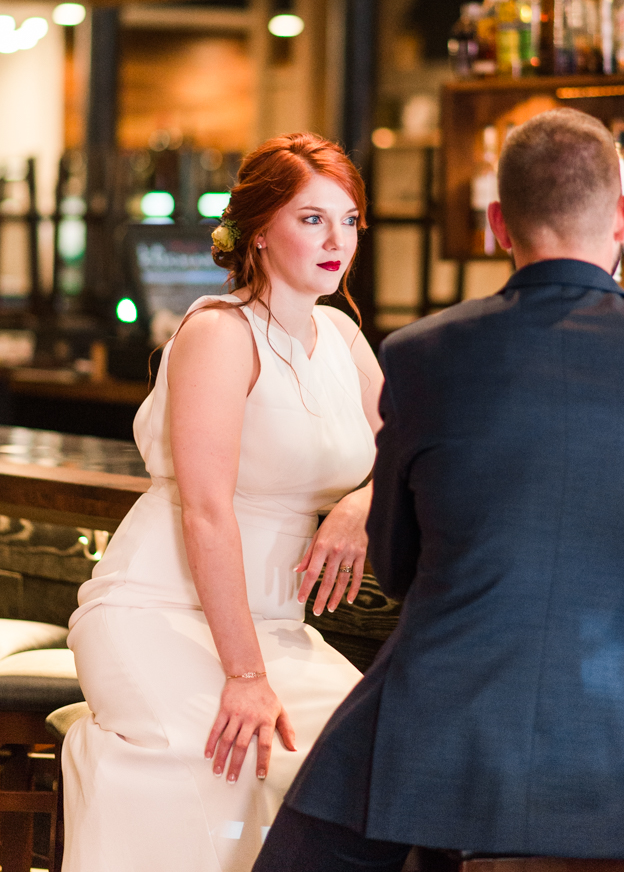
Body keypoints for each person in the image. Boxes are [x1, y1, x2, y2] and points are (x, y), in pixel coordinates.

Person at [254, 108, 624, 872]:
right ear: (623, 216)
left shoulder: (421, 355)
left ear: (496, 224)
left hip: (441, 718)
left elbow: (398, 557)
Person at [62, 133, 383, 872]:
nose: (337, 241)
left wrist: (360, 506)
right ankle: (108, 758)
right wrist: (243, 676)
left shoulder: (341, 336)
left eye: (349, 220)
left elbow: (408, 452)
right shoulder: (218, 331)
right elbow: (205, 511)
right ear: (261, 231)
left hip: (275, 625)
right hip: (155, 612)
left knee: (364, 760)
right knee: (204, 762)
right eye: (312, 220)